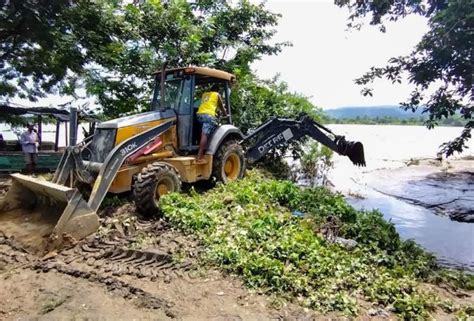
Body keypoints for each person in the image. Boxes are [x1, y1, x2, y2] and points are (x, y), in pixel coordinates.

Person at [196, 84, 227, 163]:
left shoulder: (205, 95)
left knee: (203, 132)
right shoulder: (217, 95)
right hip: (208, 116)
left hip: (199, 115)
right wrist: (225, 114)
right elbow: (221, 107)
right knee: (206, 134)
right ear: (218, 91)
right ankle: (200, 156)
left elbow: (208, 104)